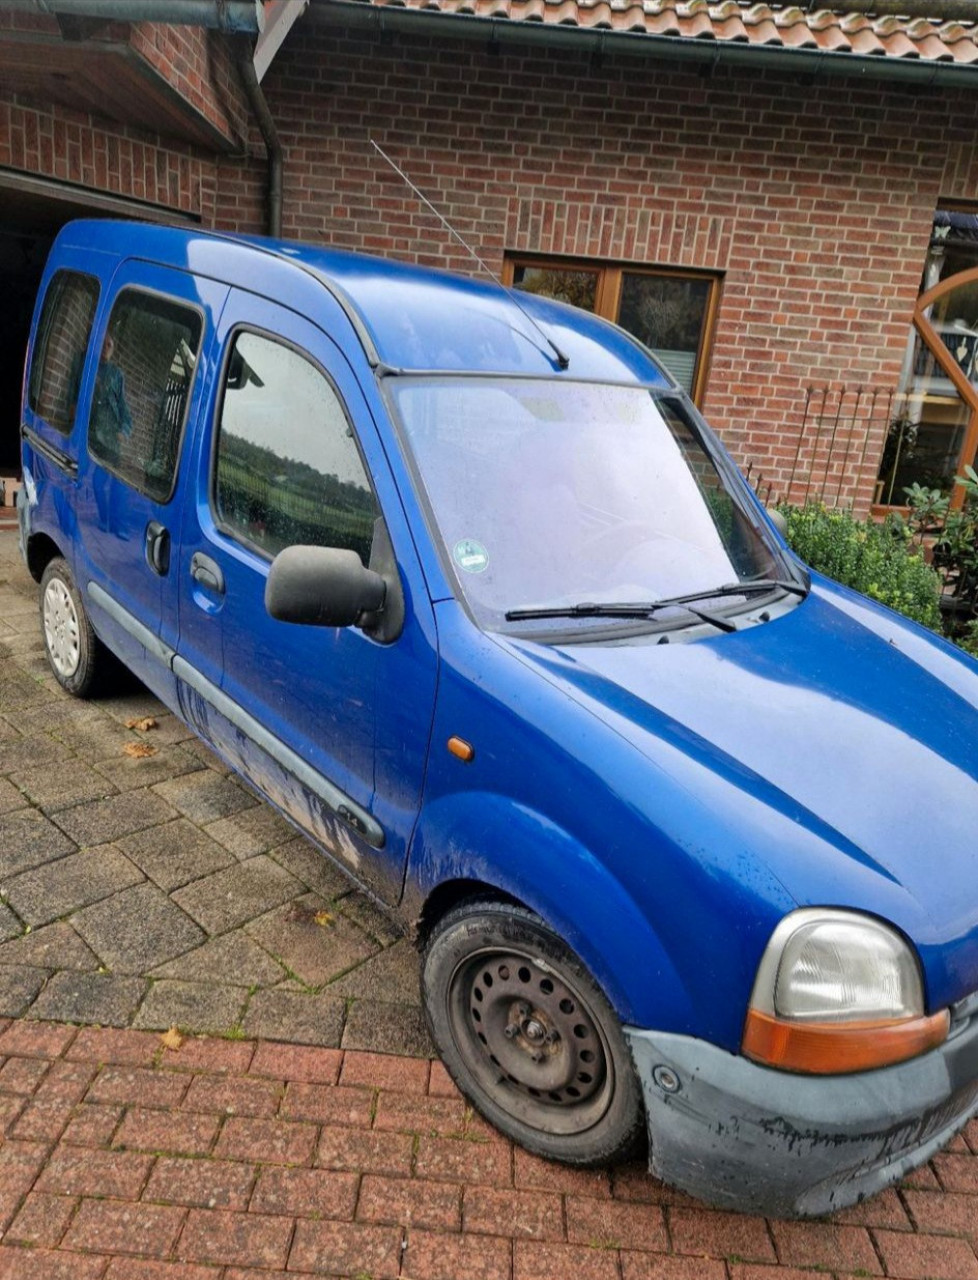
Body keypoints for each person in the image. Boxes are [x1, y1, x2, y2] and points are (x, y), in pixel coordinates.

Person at [90, 332, 132, 465]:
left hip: (110, 445)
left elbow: (123, 409)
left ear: (112, 350)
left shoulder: (116, 375)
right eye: (103, 344)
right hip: (90, 439)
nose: (105, 348)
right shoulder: (89, 366)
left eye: (109, 345)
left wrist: (123, 432)